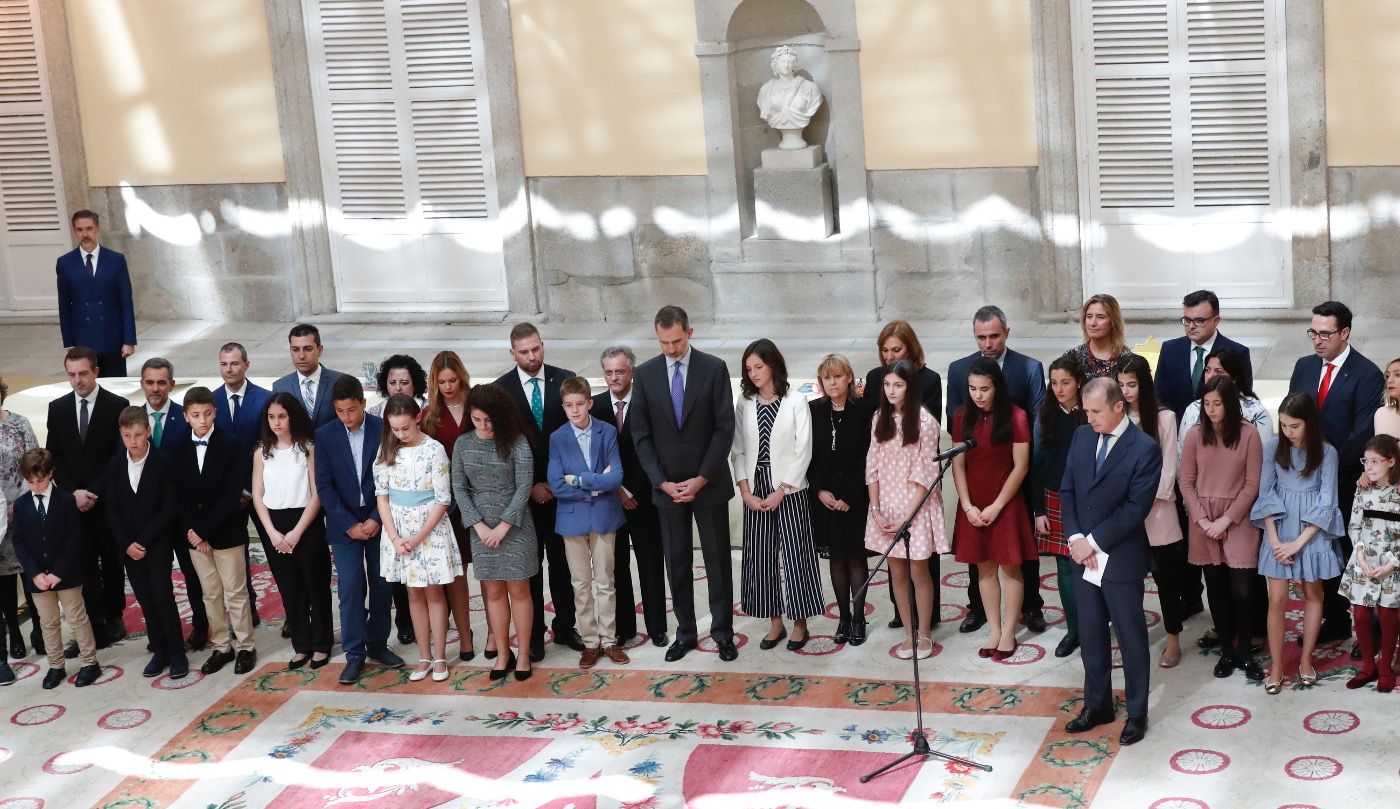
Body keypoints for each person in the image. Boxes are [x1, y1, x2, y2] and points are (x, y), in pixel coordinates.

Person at [630, 305, 739, 663]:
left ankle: (723, 632)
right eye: (664, 343)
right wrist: (661, 482)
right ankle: (686, 632)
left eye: (677, 341)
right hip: (668, 491)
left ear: (689, 333)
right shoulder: (644, 375)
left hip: (708, 484)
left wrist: (702, 477)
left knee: (717, 562)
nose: (672, 349)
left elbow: (725, 428)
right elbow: (641, 435)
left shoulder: (714, 368)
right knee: (676, 563)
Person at [1059, 378, 1159, 746]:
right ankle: (1097, 704)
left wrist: (1093, 542)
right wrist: (1074, 538)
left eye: (1096, 411)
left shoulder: (1144, 448)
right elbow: (1067, 488)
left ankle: (1136, 713)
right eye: (1086, 410)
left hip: (1119, 557)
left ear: (1119, 407)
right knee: (1091, 633)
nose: (1090, 418)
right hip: (1081, 555)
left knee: (1131, 639)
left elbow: (1135, 508)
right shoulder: (1083, 437)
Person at [1288, 301, 1385, 646]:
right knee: (1320, 551)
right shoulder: (1303, 367)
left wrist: (1323, 467)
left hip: (1345, 482)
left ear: (1345, 333)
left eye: (1325, 333)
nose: (1317, 340)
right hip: (1306, 483)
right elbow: (1292, 420)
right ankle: (1333, 619)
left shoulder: (1367, 374)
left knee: (1353, 552)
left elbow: (1361, 433)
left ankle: (1370, 631)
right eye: (1313, 332)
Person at [946, 307, 1048, 636]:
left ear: (1006, 332)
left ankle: (1029, 609)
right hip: (976, 477)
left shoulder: (1028, 368)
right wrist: (966, 504)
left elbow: (1035, 425)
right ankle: (982, 614)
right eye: (981, 337)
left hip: (1013, 472)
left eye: (994, 336)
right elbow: (955, 422)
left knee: (1017, 557)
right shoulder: (960, 370)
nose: (988, 343)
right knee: (982, 562)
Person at [492, 323, 582, 659]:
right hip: (523, 498)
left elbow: (575, 440)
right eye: (524, 351)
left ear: (543, 345)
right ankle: (531, 637)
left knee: (562, 563)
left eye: (536, 349)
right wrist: (529, 487)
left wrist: (557, 483)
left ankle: (566, 626)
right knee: (528, 567)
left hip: (563, 494)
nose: (532, 357)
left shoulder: (565, 379)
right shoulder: (500, 391)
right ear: (512, 353)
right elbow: (502, 449)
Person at [732, 339, 823, 652]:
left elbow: (804, 449)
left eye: (759, 366)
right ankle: (775, 622)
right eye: (749, 368)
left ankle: (800, 623)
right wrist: (745, 490)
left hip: (790, 487)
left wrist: (782, 489)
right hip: (755, 486)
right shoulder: (744, 402)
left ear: (773, 365)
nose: (754, 373)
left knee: (797, 556)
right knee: (760, 557)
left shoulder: (794, 400)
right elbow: (738, 449)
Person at [1251, 393, 1345, 693]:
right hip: (1278, 528)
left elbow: (1327, 501)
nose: (1287, 432)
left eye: (1294, 426)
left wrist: (1298, 544)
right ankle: (1277, 666)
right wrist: (1276, 540)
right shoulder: (1271, 448)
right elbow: (1265, 494)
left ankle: (1306, 660)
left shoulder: (1327, 453)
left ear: (1309, 423)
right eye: (1283, 426)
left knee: (1313, 594)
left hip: (1311, 533)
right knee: (1276, 599)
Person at [316, 376, 406, 685]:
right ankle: (354, 654)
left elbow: (392, 475)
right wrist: (349, 525)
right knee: (351, 587)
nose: (346, 417)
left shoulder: (383, 429)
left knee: (382, 585)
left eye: (351, 410)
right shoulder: (325, 436)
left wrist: (375, 519)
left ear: (363, 404)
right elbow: (325, 487)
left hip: (379, 520)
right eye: (340, 411)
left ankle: (378, 644)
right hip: (344, 528)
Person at [450, 384, 537, 681]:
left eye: (489, 420)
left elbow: (524, 486)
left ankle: (523, 654)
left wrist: (503, 525)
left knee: (519, 590)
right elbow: (459, 488)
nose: (484, 426)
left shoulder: (517, 442)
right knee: (494, 591)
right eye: (477, 420)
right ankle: (503, 653)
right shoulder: (462, 445)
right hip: (480, 529)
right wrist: (478, 525)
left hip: (515, 527)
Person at [1180, 376, 1264, 681]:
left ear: (1231, 405)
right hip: (1203, 518)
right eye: (1207, 403)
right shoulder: (1193, 435)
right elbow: (1186, 482)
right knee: (1215, 589)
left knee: (1242, 589)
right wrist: (1204, 522)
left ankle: (1245, 651)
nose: (1211, 409)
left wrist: (1225, 521)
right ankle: (1227, 653)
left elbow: (1252, 485)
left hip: (1237, 517)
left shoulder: (1249, 435)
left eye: (1217, 403)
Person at [951, 358, 1035, 660]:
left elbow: (1021, 466)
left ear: (997, 387)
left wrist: (998, 505)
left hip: (1005, 501)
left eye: (984, 389)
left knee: (1010, 567)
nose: (978, 395)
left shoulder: (1016, 416)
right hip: (973, 502)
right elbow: (957, 464)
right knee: (983, 567)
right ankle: (994, 631)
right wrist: (967, 505)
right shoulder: (962, 417)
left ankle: (1010, 631)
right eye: (972, 388)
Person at [45, 346, 128, 648]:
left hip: (106, 500)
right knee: (83, 563)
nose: (77, 380)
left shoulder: (116, 405)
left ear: (95, 371)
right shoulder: (58, 408)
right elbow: (53, 455)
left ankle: (115, 614)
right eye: (71, 375)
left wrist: (93, 491)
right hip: (72, 502)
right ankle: (94, 621)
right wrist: (73, 492)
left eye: (82, 374)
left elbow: (118, 456)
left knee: (111, 558)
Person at [375, 395, 462, 684]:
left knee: (434, 593)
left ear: (417, 419)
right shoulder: (387, 449)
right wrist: (395, 536)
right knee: (413, 593)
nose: (400, 434)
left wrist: (418, 536)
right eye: (395, 429)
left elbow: (442, 498)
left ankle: (439, 656)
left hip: (429, 529)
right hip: (398, 532)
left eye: (405, 429)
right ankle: (423, 656)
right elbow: (382, 497)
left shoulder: (434, 450)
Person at [171, 386, 256, 676]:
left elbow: (233, 493)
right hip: (196, 537)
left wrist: (204, 529)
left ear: (215, 412)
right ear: (186, 417)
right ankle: (222, 645)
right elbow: (178, 496)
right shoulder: (177, 446)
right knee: (210, 594)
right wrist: (193, 532)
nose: (203, 420)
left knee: (236, 591)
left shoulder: (231, 444)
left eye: (207, 414)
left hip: (227, 531)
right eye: (196, 415)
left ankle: (246, 646)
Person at [865, 359, 946, 661]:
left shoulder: (925, 422)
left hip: (916, 508)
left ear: (910, 388)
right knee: (896, 571)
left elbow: (926, 475)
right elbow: (871, 466)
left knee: (918, 571)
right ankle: (907, 633)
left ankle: (924, 633)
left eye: (897, 385)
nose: (890, 391)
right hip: (885, 507)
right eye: (887, 384)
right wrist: (875, 510)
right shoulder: (878, 419)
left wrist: (905, 516)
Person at [590, 346, 669, 647]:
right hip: (610, 499)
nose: (614, 377)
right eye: (609, 372)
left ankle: (657, 626)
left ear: (632, 371)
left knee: (650, 561)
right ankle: (624, 628)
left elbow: (657, 450)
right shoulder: (594, 407)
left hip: (646, 498)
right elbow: (592, 457)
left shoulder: (649, 404)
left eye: (620, 371)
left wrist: (636, 489)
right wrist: (618, 489)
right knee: (615, 564)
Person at [549, 376, 628, 668]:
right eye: (569, 405)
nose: (574, 410)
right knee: (581, 584)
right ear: (564, 406)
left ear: (590, 403)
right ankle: (591, 642)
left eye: (580, 404)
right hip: (572, 520)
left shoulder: (607, 432)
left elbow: (616, 477)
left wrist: (581, 480)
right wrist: (597, 484)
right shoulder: (558, 438)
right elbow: (557, 485)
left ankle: (609, 640)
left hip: (604, 515)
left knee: (606, 581)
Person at [105, 406, 188, 680]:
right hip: (129, 547)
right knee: (145, 600)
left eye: (138, 435)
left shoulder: (162, 462)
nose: (133, 441)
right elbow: (112, 509)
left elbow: (169, 507)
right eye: (127, 436)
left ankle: (177, 652)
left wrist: (143, 540)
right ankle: (159, 650)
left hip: (157, 543)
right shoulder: (116, 464)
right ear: (121, 434)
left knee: (162, 597)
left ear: (148, 432)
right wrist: (127, 543)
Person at [253, 393, 333, 671]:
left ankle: (322, 644)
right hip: (275, 525)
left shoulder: (307, 448)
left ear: (293, 417)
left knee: (315, 585)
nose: (276, 422)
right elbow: (257, 495)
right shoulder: (261, 451)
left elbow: (316, 494)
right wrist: (272, 533)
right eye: (272, 417)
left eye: (282, 416)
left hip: (305, 523)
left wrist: (298, 531)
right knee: (290, 589)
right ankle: (302, 645)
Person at [10, 449, 103, 688]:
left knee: (77, 618)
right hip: (38, 578)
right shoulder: (20, 506)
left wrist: (59, 572)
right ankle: (55, 665)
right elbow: (18, 541)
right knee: (48, 622)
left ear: (50, 474)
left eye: (40, 480)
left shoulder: (65, 500)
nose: (35, 486)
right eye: (30, 482)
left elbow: (74, 538)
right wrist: (35, 573)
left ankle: (89, 662)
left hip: (67, 573)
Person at [1117, 356, 1187, 668]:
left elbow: (1169, 470)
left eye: (1131, 384)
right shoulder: (1115, 418)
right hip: (1125, 516)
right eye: (1120, 385)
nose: (1125, 391)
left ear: (1145, 383)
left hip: (1158, 513)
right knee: (1126, 581)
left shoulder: (1164, 418)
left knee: (1167, 582)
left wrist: (1141, 502)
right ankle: (1132, 638)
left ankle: (1173, 639)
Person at [808, 353, 873, 647]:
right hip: (824, 498)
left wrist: (850, 495)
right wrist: (820, 490)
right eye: (826, 377)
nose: (832, 382)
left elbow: (868, 456)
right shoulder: (812, 411)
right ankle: (844, 618)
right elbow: (806, 455)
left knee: (856, 558)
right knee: (836, 559)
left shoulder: (865, 410)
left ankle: (858, 618)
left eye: (837, 376)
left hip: (855, 498)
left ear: (849, 377)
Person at [212, 341, 272, 637]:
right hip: (226, 497)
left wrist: (250, 489)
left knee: (277, 552)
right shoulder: (210, 403)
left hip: (261, 491)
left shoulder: (265, 400)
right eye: (224, 364)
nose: (229, 370)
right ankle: (248, 611)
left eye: (234, 364)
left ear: (246, 365)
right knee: (235, 559)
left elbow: (269, 446)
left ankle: (294, 612)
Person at [1032, 356, 1088, 658]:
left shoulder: (1091, 411)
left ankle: (1096, 625)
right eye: (1053, 383)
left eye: (1065, 382)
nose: (1059, 389)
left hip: (1088, 497)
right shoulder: (1045, 415)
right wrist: (1039, 509)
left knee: (1092, 564)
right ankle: (1074, 630)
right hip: (1054, 496)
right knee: (1065, 565)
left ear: (1078, 381)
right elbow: (1036, 465)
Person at [421, 350, 475, 657]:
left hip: (480, 496)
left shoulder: (476, 406)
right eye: (442, 382)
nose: (448, 386)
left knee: (491, 571)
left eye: (453, 380)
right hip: (447, 505)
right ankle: (465, 636)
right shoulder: (428, 417)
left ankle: (493, 634)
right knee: (457, 571)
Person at [1339, 435, 1400, 692]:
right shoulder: (1363, 488)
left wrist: (1392, 563)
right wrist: (1360, 555)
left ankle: (1385, 666)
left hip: (1392, 564)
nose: (1369, 467)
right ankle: (1368, 666)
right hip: (1363, 561)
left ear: (1391, 462)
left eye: (1376, 461)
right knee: (1361, 615)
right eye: (1366, 461)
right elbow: (1355, 524)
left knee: (1388, 616)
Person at [56, 210, 135, 377]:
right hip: (82, 337)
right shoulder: (65, 263)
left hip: (112, 336)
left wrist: (128, 339)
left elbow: (126, 302)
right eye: (79, 230)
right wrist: (69, 343)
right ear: (74, 231)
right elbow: (64, 306)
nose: (85, 234)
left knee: (115, 386)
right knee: (86, 386)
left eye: (89, 228)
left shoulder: (116, 260)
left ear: (97, 229)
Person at [1154, 290, 1253, 421]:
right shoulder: (1170, 349)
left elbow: (1243, 400)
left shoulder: (1237, 353)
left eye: (1199, 320)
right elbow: (1159, 397)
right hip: (1178, 431)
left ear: (1216, 320)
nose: (1191, 326)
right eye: (1187, 320)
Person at [0, 376, 40, 658]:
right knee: (4, 583)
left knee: (32, 573)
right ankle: (14, 633)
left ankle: (40, 629)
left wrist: (20, 504)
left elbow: (35, 461)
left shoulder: (19, 424)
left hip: (25, 510)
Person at [1176, 348, 1273, 459]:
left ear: (1234, 377)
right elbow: (1182, 454)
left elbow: (1263, 456)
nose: (1210, 376)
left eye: (1219, 372)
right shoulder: (1193, 409)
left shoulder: (1256, 412)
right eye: (1207, 370)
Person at [272, 323, 348, 429]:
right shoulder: (280, 387)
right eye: (296, 350)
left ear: (320, 350)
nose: (301, 356)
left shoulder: (340, 382)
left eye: (308, 349)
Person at [1062, 293, 1134, 380]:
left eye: (1100, 317)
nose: (1093, 323)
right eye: (1089, 316)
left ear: (1113, 322)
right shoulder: (1072, 358)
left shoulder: (1128, 359)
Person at [139, 358, 191, 450]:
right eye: (150, 383)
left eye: (161, 383)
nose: (155, 389)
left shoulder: (187, 418)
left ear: (172, 385)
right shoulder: (132, 419)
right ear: (142, 385)